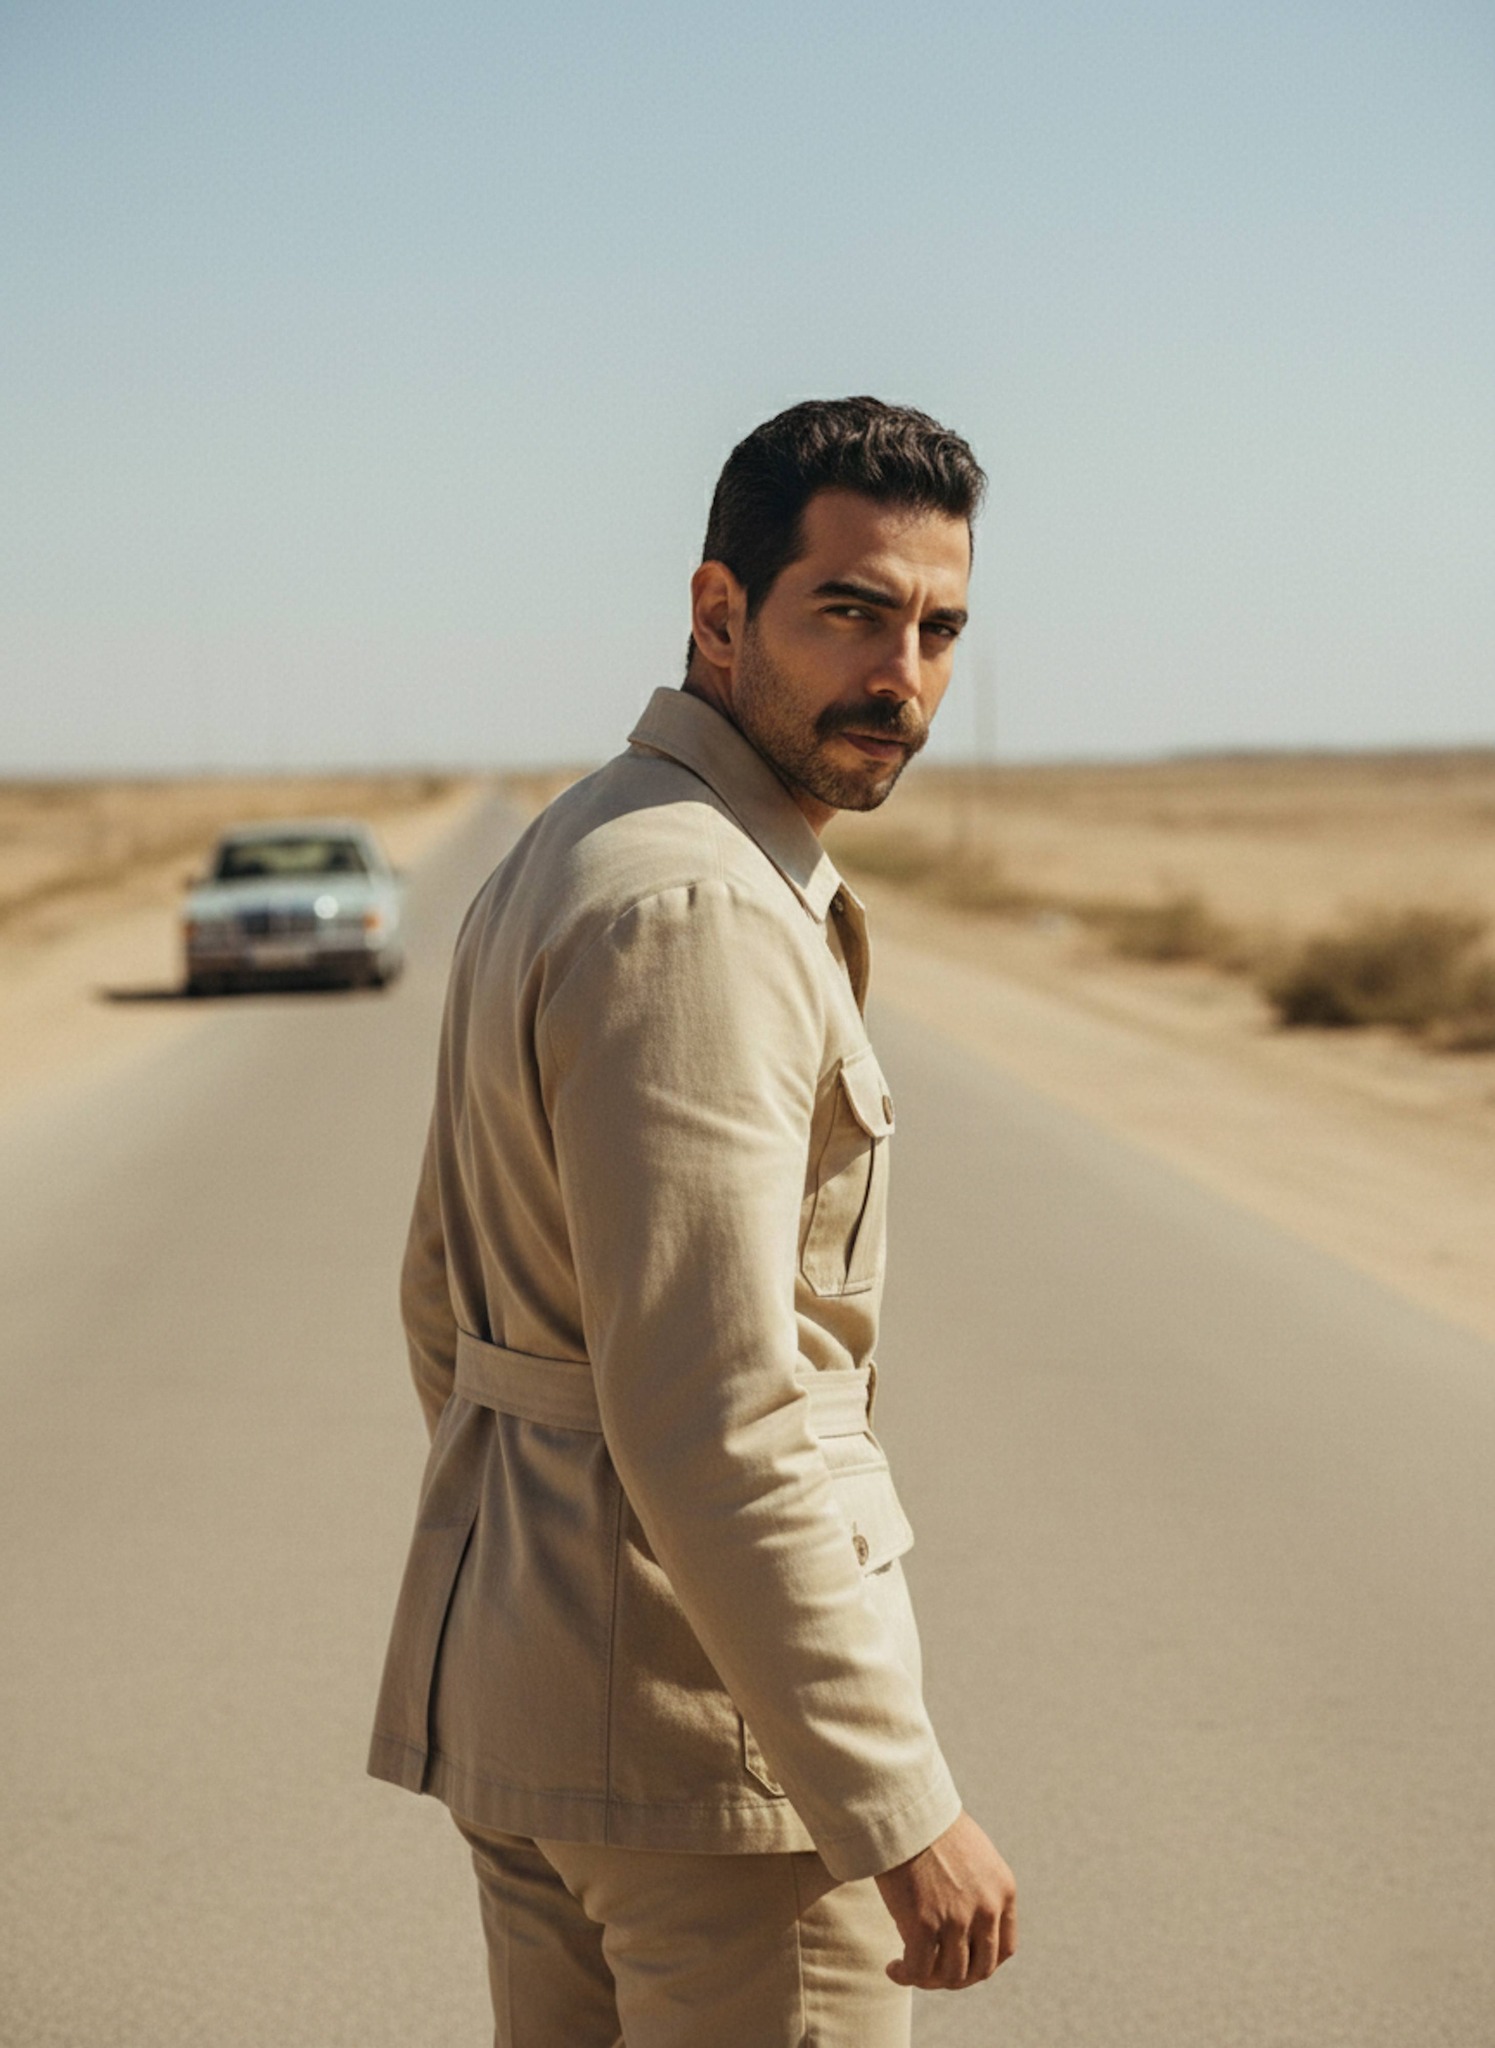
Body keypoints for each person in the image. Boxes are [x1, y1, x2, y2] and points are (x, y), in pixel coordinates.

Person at [368, 396, 1018, 2045]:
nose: (905, 676)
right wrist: (897, 1804)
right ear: (719, 611)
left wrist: (544, 1576)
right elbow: (722, 1415)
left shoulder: (584, 841)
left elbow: (444, 1304)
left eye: (940, 628)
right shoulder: (700, 906)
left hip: (546, 1709)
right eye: (852, 611)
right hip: (705, 1767)